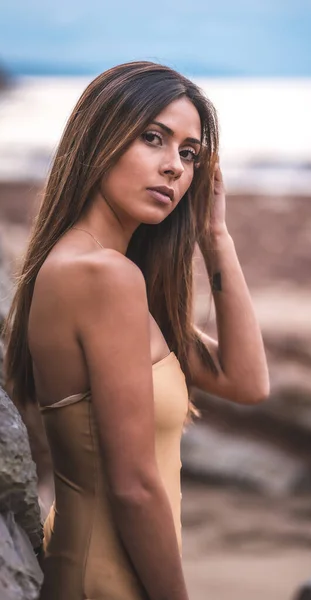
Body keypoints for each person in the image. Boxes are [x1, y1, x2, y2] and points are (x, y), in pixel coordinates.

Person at [3, 61, 269, 600]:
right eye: (154, 138)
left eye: (189, 153)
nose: (174, 166)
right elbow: (134, 487)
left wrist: (215, 235)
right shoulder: (103, 277)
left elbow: (246, 381)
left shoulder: (104, 275)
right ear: (99, 138)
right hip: (108, 581)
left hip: (97, 571)